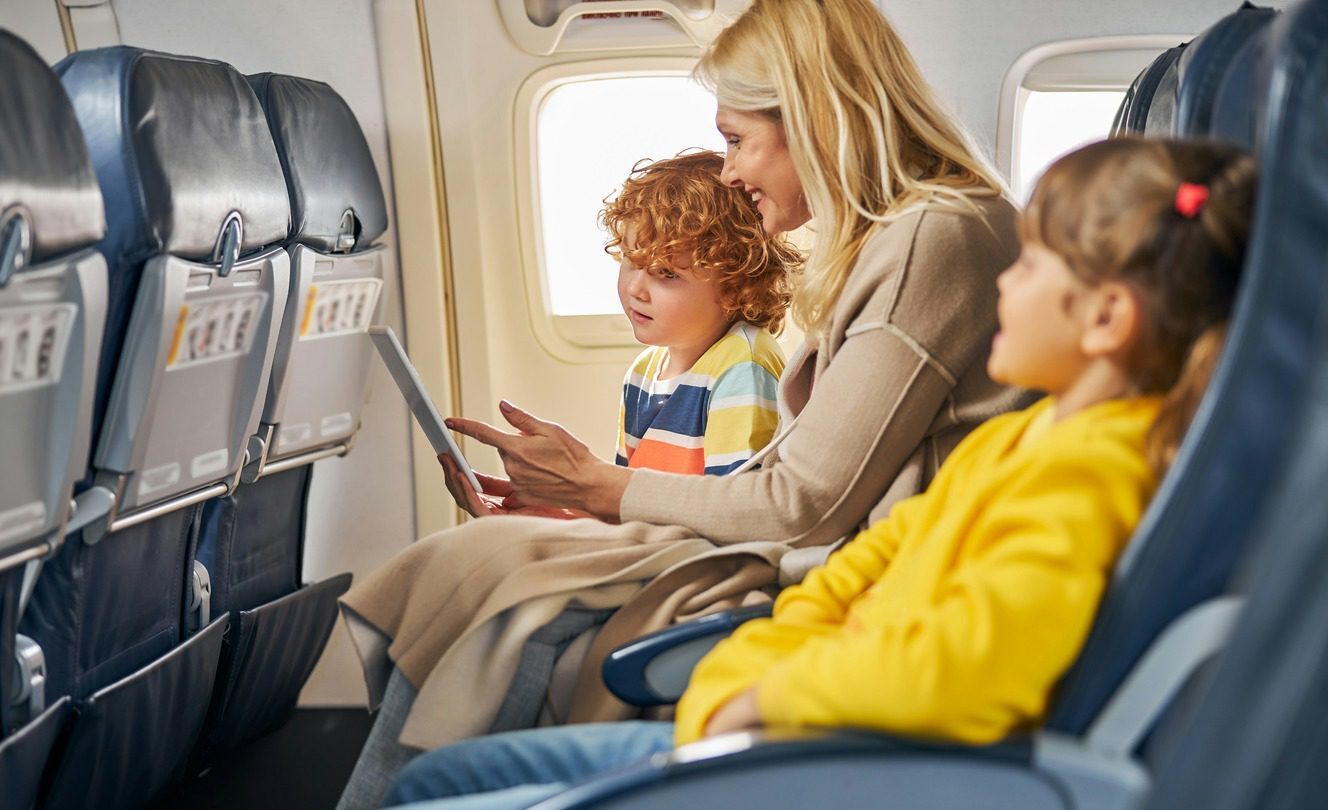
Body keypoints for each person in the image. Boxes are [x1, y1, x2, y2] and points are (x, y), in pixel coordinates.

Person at [380, 136, 1260, 810]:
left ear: (1106, 316)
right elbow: (848, 581)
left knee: (433, 792)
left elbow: (963, 673)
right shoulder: (1010, 444)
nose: (1002, 286)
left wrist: (766, 694)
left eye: (1029, 267)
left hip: (847, 753)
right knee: (454, 775)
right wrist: (747, 681)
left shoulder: (1091, 472)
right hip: (788, 715)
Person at [336, 1, 1024, 805]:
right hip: (801, 556)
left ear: (814, 116)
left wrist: (600, 488)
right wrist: (576, 502)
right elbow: (801, 475)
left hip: (831, 582)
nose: (728, 170)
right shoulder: (900, 240)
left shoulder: (933, 239)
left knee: (489, 580)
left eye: (737, 139)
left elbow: (804, 502)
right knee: (478, 557)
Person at [608, 151, 796, 478]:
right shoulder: (641, 373)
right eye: (632, 261)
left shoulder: (742, 366)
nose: (636, 288)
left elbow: (730, 506)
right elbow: (621, 495)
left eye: (666, 273)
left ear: (734, 284)